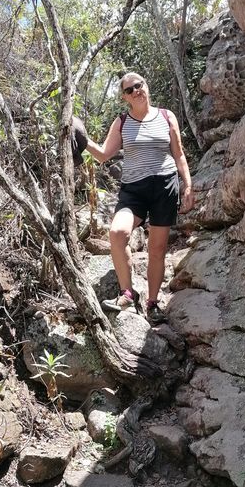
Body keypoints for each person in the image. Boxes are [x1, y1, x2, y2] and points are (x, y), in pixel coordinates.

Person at [80, 72, 194, 324]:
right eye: (129, 90)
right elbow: (103, 154)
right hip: (133, 190)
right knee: (117, 233)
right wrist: (79, 136)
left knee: (157, 249)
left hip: (165, 186)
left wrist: (188, 186)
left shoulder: (166, 116)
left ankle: (153, 303)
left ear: (146, 86)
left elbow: (179, 155)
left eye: (138, 86)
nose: (135, 91)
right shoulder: (122, 122)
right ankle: (127, 293)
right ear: (124, 97)